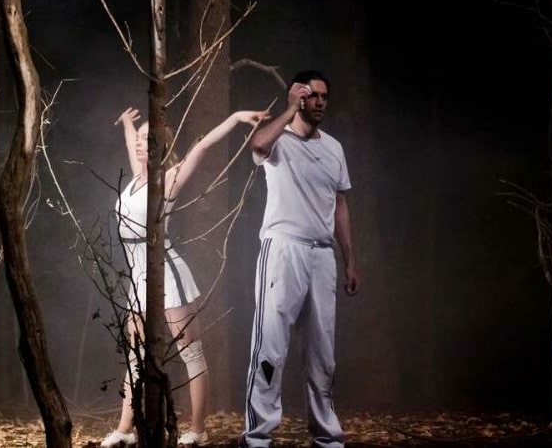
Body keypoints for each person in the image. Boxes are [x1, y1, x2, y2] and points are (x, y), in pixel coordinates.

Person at [102, 106, 269, 448]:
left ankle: (198, 429)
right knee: (134, 356)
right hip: (137, 277)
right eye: (140, 139)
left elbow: (202, 146)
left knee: (191, 353)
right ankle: (124, 430)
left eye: (148, 139)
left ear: (161, 147)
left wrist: (235, 117)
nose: (140, 143)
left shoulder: (168, 180)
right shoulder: (136, 179)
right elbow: (132, 144)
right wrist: (128, 125)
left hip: (167, 274)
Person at [239, 70, 360, 448]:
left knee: (322, 354)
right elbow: (257, 144)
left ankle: (327, 437)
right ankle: (257, 437)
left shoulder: (334, 148)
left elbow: (340, 205)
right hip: (283, 250)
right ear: (300, 98)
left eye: (324, 96)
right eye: (312, 95)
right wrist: (289, 108)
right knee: (270, 347)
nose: (320, 102)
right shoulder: (280, 140)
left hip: (322, 256)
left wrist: (349, 260)